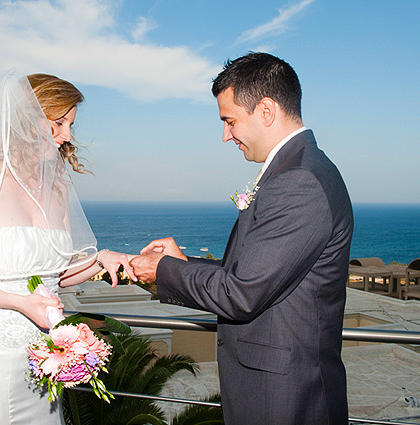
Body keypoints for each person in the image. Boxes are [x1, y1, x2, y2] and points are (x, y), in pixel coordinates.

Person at [130, 52, 353, 424]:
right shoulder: (295, 170)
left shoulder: (299, 181)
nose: (225, 135)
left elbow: (242, 294)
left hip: (286, 396)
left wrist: (164, 270)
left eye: (230, 121)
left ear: (266, 111)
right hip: (272, 388)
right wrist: (185, 263)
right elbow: (254, 272)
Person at [0, 71, 135, 424]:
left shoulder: (57, 188)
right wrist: (20, 302)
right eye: (58, 122)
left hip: (45, 366)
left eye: (70, 124)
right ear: (25, 119)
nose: (67, 135)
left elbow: (59, 274)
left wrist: (100, 259)